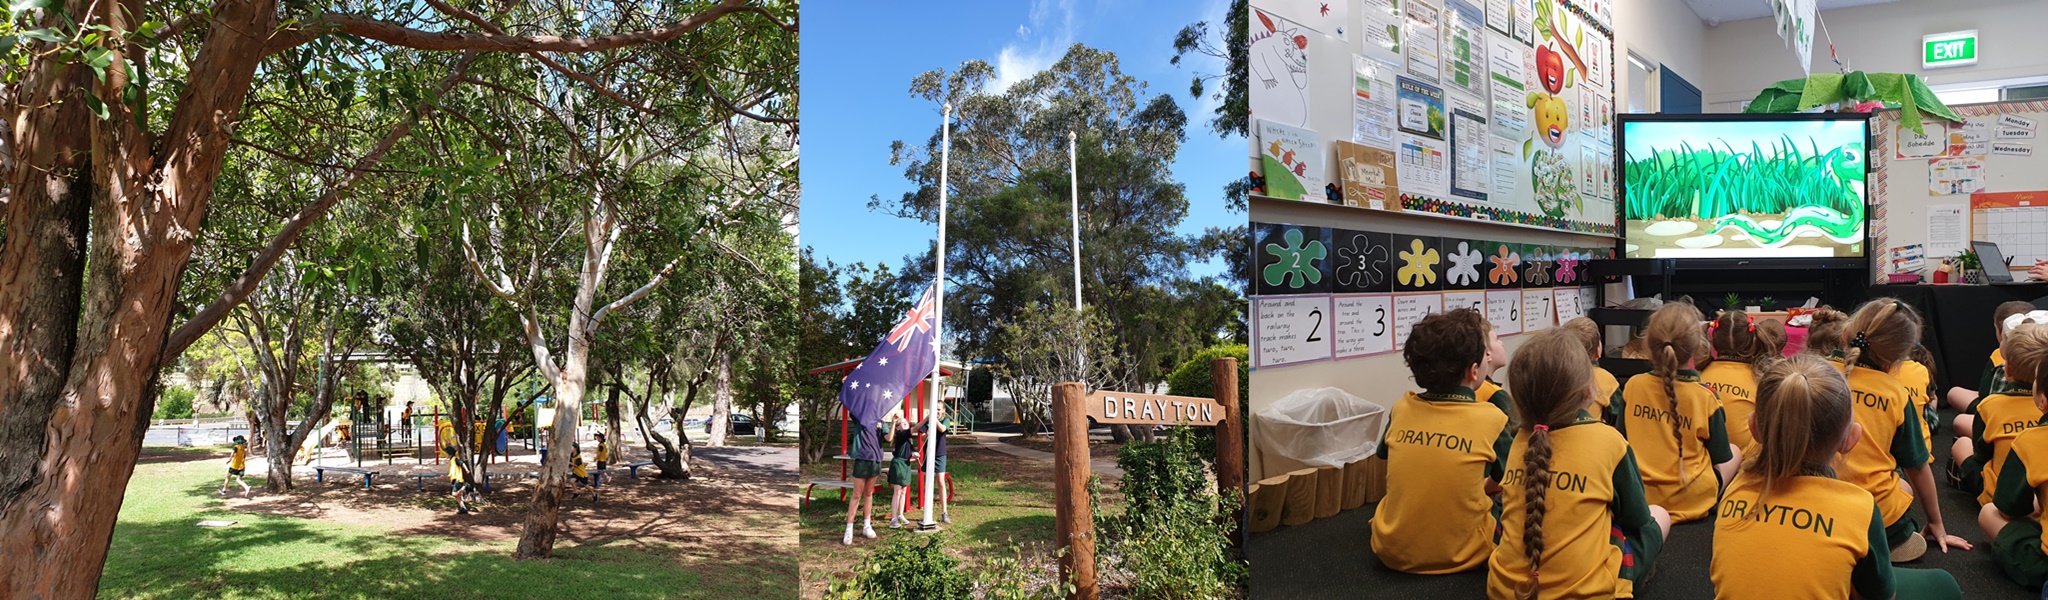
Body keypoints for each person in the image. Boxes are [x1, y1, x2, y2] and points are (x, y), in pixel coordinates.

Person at [1711, 355, 1964, 599]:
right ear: (1850, 439)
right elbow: (1881, 597)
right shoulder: (1860, 507)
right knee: (1944, 584)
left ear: (1754, 427)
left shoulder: (1733, 491)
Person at [1486, 329, 1669, 599]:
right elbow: (1637, 518)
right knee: (1659, 516)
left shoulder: (1518, 441)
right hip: (1588, 592)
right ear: (1588, 391)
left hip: (1505, 589)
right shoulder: (1609, 441)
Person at [1370, 308, 1512, 574]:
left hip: (1389, 551)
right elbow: (1511, 476)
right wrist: (1489, 485)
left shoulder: (1402, 408)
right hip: (1463, 555)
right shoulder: (1492, 419)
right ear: (1474, 370)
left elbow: (1385, 456)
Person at [1833, 298, 1970, 561]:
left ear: (1845, 333)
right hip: (1875, 517)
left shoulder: (1812, 373)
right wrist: (1936, 523)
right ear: (1900, 356)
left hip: (1808, 502)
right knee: (1903, 488)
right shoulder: (1895, 392)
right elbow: (1917, 467)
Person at [1614, 302, 1740, 522]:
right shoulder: (1706, 397)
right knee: (1735, 451)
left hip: (1640, 498)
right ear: (1697, 347)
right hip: (1694, 500)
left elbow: (1621, 440)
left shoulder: (1633, 385)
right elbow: (1720, 455)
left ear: (1648, 344)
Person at [1979, 331, 2048, 590]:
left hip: (2043, 563)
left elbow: (2008, 507)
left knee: (1989, 513)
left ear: (2042, 400)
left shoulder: (2031, 440)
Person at [1953, 324, 2048, 505]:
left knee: (1961, 444)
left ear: (2007, 369)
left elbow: (1982, 455)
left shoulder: (1990, 405)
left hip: (2000, 497)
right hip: (2040, 493)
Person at [1948, 301, 2040, 437]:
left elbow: (1986, 395)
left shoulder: (1999, 358)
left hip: (1999, 413)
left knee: (1958, 411)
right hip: (2035, 418)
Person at [1701, 309, 1788, 452]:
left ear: (1714, 339)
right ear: (1752, 339)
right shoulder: (1762, 379)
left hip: (1703, 463)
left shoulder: (1699, 375)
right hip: (1748, 465)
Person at [1560, 318, 1622, 425]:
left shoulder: (1553, 374)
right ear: (1598, 351)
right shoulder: (1605, 379)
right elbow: (1618, 415)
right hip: (1595, 436)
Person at [844, 417, 885, 545]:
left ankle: (867, 526)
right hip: (861, 459)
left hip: (876, 460)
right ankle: (849, 529)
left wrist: (894, 423)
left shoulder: (881, 422)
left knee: (868, 493)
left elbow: (888, 438)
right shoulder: (861, 419)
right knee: (857, 494)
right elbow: (853, 409)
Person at [886, 411, 918, 528]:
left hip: (906, 464)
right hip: (898, 464)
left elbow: (910, 450)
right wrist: (926, 420)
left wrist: (914, 454)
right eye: (902, 423)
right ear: (898, 428)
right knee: (897, 492)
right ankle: (893, 518)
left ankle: (900, 515)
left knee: (904, 491)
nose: (905, 424)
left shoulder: (908, 438)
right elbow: (915, 428)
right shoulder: (900, 435)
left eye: (906, 422)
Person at [449, 447, 478, 515]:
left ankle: (464, 487)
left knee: (454, 494)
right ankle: (463, 508)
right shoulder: (451, 460)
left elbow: (462, 463)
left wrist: (467, 470)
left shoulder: (455, 459)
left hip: (458, 479)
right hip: (454, 479)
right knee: (457, 496)